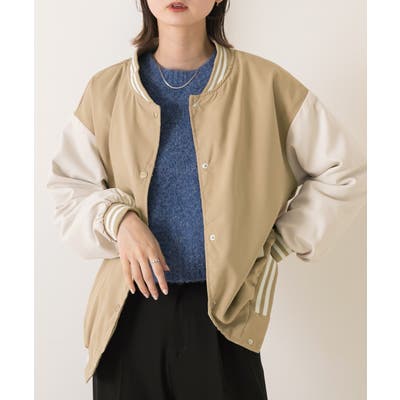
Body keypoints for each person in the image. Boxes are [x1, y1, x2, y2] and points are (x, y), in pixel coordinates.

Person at [46, 0, 366, 399]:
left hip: (224, 320)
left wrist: (280, 242)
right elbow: (68, 189)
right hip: (126, 316)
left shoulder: (265, 84)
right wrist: (119, 221)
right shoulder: (105, 90)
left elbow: (345, 170)